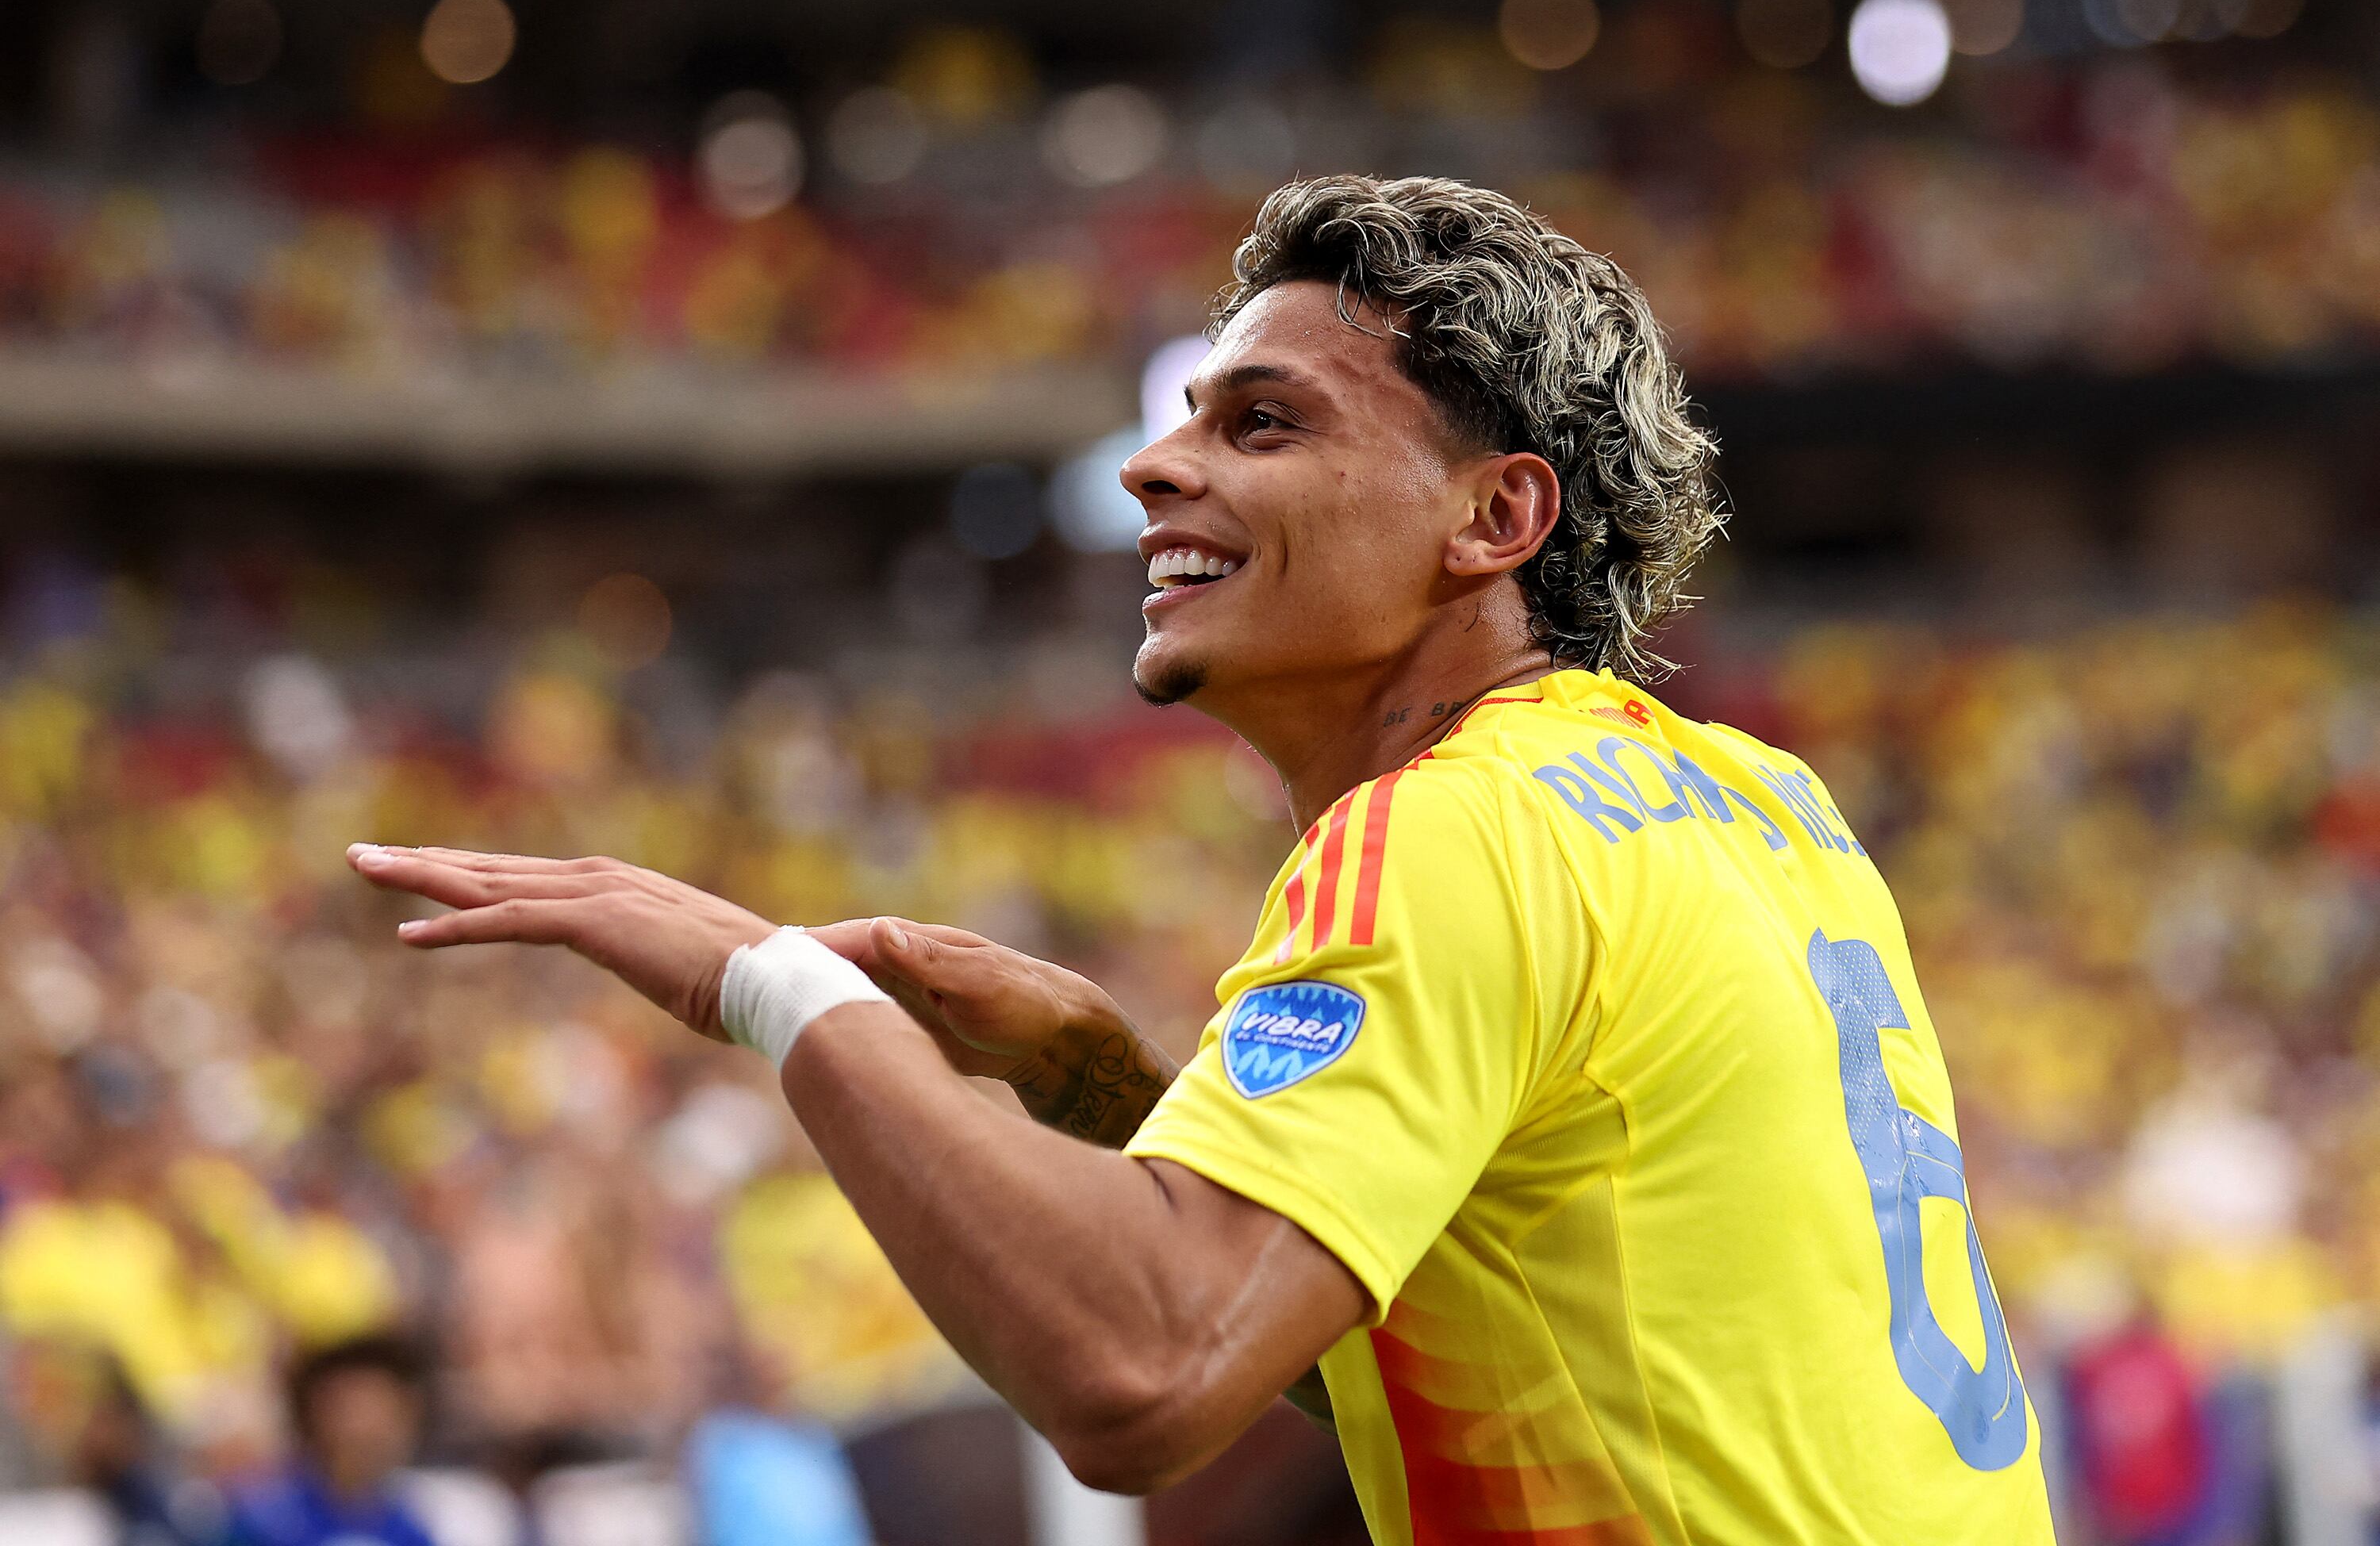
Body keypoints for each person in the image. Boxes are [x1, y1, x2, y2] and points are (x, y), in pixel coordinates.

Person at [349, 175, 2057, 1544]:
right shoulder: (1769, 805)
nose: (1155, 463)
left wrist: (767, 983)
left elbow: (1149, 1375)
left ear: (1496, 519)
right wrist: (1108, 1096)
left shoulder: (1455, 824)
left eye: (1260, 423)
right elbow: (1497, 1351)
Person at [225, 1336, 436, 1546]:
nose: (365, 1428)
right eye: (350, 1408)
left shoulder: (413, 1522)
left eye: (384, 1411)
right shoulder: (262, 1517)